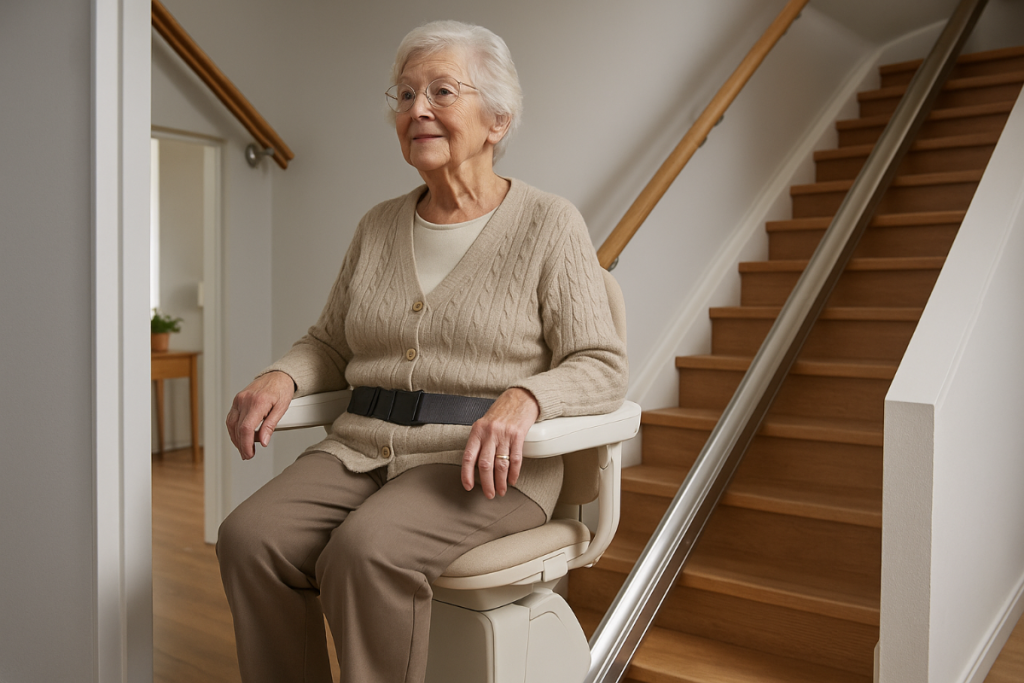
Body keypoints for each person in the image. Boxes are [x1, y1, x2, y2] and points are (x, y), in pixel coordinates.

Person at [217, 19, 628, 683]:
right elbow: (329, 341)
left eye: (441, 90)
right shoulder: (377, 225)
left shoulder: (549, 224)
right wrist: (281, 376)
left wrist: (528, 396)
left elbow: (601, 364)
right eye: (404, 96)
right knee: (249, 536)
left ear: (496, 120)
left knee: (366, 549)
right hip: (360, 447)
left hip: (484, 466)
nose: (417, 110)